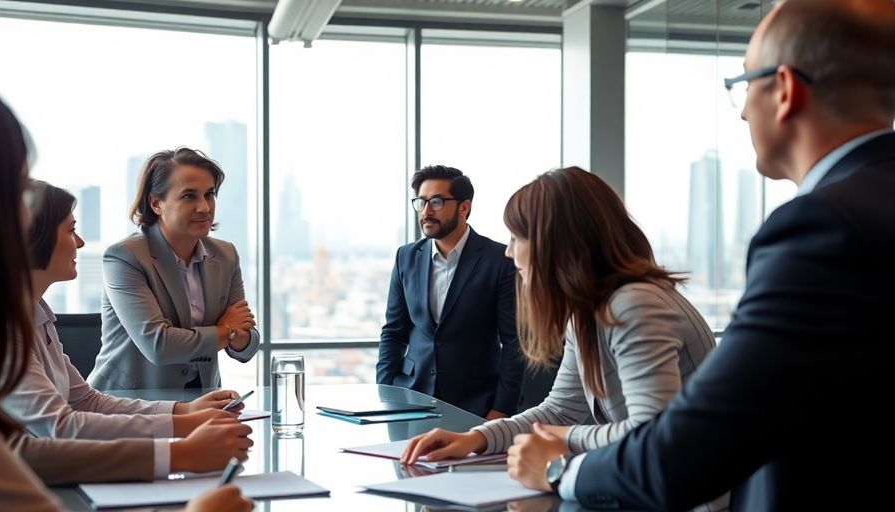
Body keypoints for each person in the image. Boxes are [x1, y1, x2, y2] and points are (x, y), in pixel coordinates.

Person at [523, 1, 895, 510]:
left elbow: (684, 452)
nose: (742, 110)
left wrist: (558, 469)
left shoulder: (821, 229)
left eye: (745, 84)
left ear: (784, 90)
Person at [0, 67, 251, 511]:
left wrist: (182, 421)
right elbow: (46, 439)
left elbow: (21, 444)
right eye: (15, 189)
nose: (23, 211)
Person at [401, 169, 716, 475]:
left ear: (555, 242)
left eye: (517, 238)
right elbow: (561, 410)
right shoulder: (587, 312)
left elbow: (649, 434)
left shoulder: (633, 305)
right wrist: (477, 438)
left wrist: (563, 438)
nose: (509, 253)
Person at [0, 181, 250, 447]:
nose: (79, 242)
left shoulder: (37, 314)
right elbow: (59, 426)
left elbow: (87, 401)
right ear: (32, 237)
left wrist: (183, 410)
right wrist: (184, 427)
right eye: (70, 230)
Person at [91, 147, 259, 391]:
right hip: (129, 406)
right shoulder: (125, 257)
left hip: (203, 401)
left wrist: (235, 334)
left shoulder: (225, 255)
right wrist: (227, 330)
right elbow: (159, 346)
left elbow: (248, 344)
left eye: (209, 194)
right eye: (189, 196)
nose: (204, 207)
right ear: (156, 203)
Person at [376, 165, 524, 419]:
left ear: (464, 207)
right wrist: (385, 391)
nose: (426, 211)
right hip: (410, 400)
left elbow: (514, 342)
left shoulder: (499, 260)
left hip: (476, 403)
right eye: (421, 202)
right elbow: (393, 333)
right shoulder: (406, 257)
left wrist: (501, 409)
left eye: (436, 201)